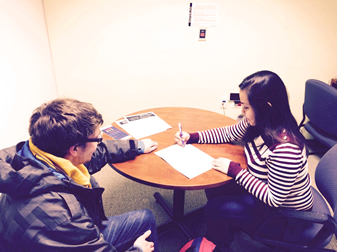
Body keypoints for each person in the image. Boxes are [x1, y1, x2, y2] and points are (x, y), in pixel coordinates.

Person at [175, 70, 313, 251]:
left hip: (285, 217)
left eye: (246, 107)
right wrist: (191, 136)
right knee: (214, 185)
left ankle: (218, 243)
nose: (242, 111)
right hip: (265, 189)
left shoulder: (286, 149)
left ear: (266, 106)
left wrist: (235, 171)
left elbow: (274, 198)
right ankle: (225, 230)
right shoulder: (259, 121)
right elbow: (228, 133)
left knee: (215, 207)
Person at [0, 98, 159, 252]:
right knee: (144, 227)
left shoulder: (35, 154)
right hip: (70, 235)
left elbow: (96, 153)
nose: (99, 142)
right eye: (98, 138)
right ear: (75, 149)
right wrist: (137, 249)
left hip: (58, 238)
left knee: (145, 217)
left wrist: (136, 146)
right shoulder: (62, 216)